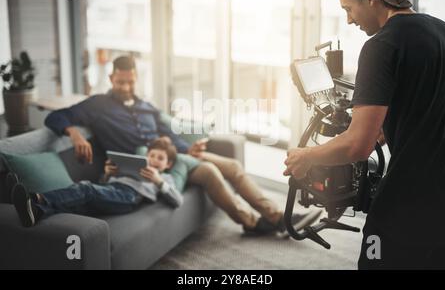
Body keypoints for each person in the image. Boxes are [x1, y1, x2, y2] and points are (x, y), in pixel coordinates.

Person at [44, 56, 322, 236]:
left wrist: (189, 148)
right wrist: (74, 134)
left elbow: (168, 133)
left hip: (176, 155)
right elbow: (55, 116)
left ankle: (278, 215)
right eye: (121, 82)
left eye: (130, 82)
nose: (126, 87)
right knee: (211, 173)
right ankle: (255, 222)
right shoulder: (96, 106)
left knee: (234, 166)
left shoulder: (145, 107)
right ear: (111, 79)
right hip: (147, 166)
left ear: (135, 79)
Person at [284, 0, 445, 269]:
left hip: (408, 204)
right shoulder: (443, 31)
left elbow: (357, 146)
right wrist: (386, 128)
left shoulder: (382, 45)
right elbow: (430, 105)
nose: (349, 20)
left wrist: (307, 155)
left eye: (349, 8)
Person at [11, 138, 183, 227]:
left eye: (160, 158)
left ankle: (37, 198)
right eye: (152, 155)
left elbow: (178, 200)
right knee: (79, 204)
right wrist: (108, 174)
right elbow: (104, 184)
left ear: (168, 164)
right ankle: (36, 212)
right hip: (111, 189)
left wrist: (158, 181)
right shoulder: (137, 166)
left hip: (129, 197)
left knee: (85, 188)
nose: (154, 160)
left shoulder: (165, 178)